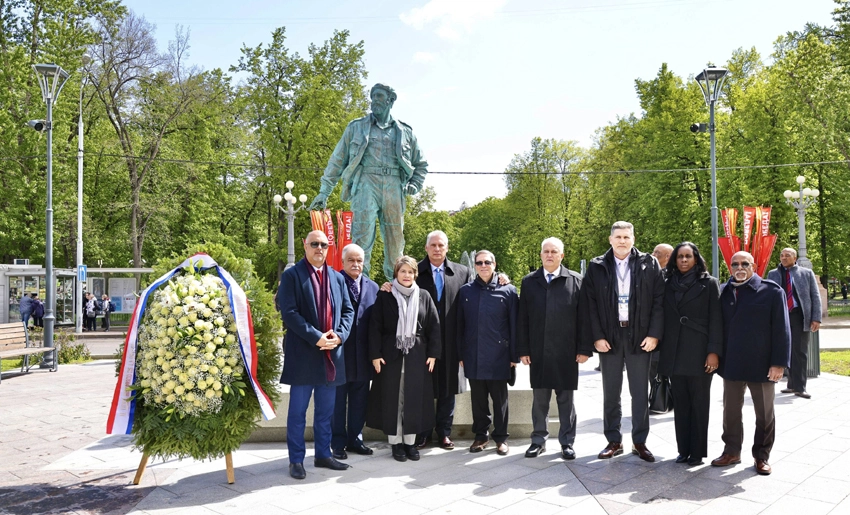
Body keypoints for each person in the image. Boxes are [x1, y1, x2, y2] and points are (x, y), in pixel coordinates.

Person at [310, 83, 428, 280]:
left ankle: (396, 287)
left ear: (391, 100)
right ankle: (358, 286)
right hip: (365, 184)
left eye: (380, 96)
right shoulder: (356, 127)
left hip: (394, 185)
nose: (375, 101)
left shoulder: (405, 132)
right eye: (373, 96)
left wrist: (415, 184)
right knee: (361, 238)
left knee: (395, 241)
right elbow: (337, 161)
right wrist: (324, 192)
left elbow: (421, 164)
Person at [581, 221, 665, 462]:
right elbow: (590, 304)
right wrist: (597, 336)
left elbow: (659, 301)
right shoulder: (597, 266)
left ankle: (640, 441)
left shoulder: (649, 263)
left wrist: (654, 334)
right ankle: (613, 440)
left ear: (633, 238)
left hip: (640, 336)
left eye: (626, 237)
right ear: (610, 239)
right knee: (611, 392)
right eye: (618, 236)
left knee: (640, 392)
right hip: (610, 337)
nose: (622, 241)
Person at [278, 230, 355, 480]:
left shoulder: (337, 277)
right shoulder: (291, 275)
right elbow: (289, 313)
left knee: (326, 412)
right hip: (303, 356)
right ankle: (296, 460)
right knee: (297, 413)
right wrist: (316, 337)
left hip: (331, 356)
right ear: (305, 245)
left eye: (323, 244)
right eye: (314, 244)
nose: (319, 248)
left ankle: (323, 454)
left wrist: (339, 336)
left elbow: (347, 311)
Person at [711, 251, 791, 476]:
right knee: (731, 411)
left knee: (764, 413)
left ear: (754, 266)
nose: (739, 267)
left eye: (744, 263)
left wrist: (778, 363)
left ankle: (761, 456)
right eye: (734, 263)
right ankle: (732, 451)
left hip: (762, 364)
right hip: (733, 362)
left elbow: (782, 330)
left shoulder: (772, 291)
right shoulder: (724, 291)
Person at [517, 237, 591, 460]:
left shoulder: (576, 281)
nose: (549, 255)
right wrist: (524, 349)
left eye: (554, 251)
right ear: (540, 255)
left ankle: (567, 442)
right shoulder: (529, 282)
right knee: (540, 400)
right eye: (546, 251)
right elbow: (523, 319)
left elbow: (584, 319)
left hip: (567, 352)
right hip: (538, 351)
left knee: (566, 401)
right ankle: (538, 440)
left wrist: (584, 348)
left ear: (562, 255)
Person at [366, 256, 441, 462]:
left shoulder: (424, 296)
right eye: (402, 271)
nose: (406, 275)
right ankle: (396, 443)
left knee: (413, 400)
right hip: (390, 356)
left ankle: (410, 443)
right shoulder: (386, 295)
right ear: (396, 273)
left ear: (415, 274)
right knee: (393, 400)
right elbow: (375, 327)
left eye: (410, 272)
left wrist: (433, 354)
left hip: (418, 357)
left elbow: (434, 327)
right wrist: (375, 355)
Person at [658, 242, 722, 466]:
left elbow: (716, 320)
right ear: (674, 260)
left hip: (699, 353)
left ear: (696, 259)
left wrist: (713, 352)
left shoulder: (709, 283)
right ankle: (683, 450)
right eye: (680, 257)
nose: (684, 260)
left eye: (688, 256)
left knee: (699, 404)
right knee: (681, 405)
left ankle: (697, 452)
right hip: (674, 353)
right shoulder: (666, 284)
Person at [456, 251, 519, 455]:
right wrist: (461, 354)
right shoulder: (465, 291)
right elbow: (460, 325)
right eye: (479, 262)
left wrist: (514, 356)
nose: (483, 265)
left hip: (500, 355)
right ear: (474, 265)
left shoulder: (508, 290)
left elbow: (514, 326)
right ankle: (481, 436)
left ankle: (501, 438)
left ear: (494, 264)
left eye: (487, 262)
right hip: (473, 355)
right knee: (478, 400)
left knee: (500, 400)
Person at [331, 244, 379, 460]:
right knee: (338, 403)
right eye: (351, 260)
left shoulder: (374, 288)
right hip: (339, 356)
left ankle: (355, 440)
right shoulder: (332, 283)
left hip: (363, 358)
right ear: (343, 262)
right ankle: (338, 443)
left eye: (359, 260)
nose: (356, 264)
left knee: (360, 401)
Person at [767, 248, 822, 399]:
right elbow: (767, 295)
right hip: (780, 316)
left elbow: (815, 296)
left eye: (787, 255)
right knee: (785, 350)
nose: (784, 258)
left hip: (799, 316)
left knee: (799, 352)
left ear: (795, 257)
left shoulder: (806, 273)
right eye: (781, 255)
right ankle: (791, 385)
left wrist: (816, 318)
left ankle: (800, 387)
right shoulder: (773, 274)